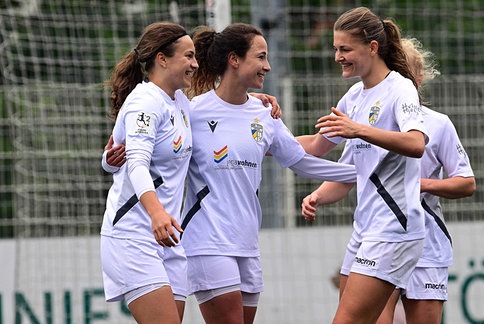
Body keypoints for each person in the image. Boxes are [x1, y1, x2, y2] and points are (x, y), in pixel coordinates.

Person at [180, 22, 357, 324]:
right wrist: (115, 156)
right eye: (260, 58)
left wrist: (361, 173)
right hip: (206, 242)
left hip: (247, 243)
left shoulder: (264, 113)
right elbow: (158, 149)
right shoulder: (191, 111)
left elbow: (300, 160)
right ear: (234, 60)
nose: (268, 66)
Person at [298, 7, 429, 324]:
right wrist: (262, 139)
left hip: (395, 229)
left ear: (372, 47)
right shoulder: (354, 96)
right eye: (335, 49)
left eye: (345, 49)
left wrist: (359, 130)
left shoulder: (400, 88)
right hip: (366, 229)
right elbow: (317, 147)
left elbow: (416, 143)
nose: (337, 57)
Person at [100, 22, 197, 324]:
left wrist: (250, 103)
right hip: (133, 235)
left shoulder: (179, 101)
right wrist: (156, 213)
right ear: (162, 58)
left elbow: (212, 114)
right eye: (188, 56)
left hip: (167, 237)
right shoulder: (144, 102)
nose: (195, 64)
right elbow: (136, 163)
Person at [374, 38, 476, 324]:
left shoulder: (438, 124)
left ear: (419, 78)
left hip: (427, 244)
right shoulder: (370, 121)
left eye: (406, 73)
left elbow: (466, 183)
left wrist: (421, 185)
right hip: (382, 240)